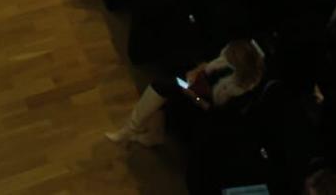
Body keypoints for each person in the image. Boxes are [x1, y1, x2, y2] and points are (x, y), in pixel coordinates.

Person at [106, 39, 266, 147]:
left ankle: (132, 130)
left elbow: (219, 117)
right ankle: (136, 130)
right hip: (196, 89)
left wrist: (195, 97)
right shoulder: (227, 60)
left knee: (163, 87)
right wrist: (195, 72)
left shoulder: (242, 91)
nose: (225, 57)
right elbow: (207, 66)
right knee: (163, 84)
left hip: (204, 108)